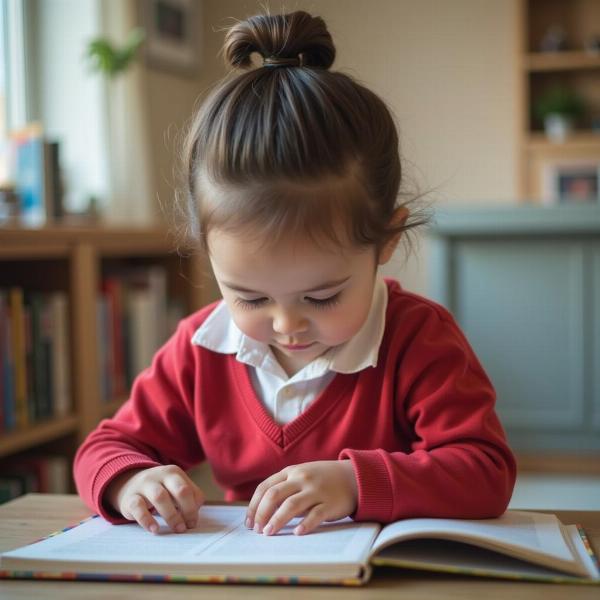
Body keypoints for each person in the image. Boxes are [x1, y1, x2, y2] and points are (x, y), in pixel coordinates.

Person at [74, 10, 516, 538]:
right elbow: (102, 450)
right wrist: (130, 482)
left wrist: (355, 482)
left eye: (322, 296)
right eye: (250, 298)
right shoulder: (199, 349)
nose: (287, 325)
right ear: (207, 251)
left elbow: (486, 472)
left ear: (386, 240)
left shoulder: (419, 339)